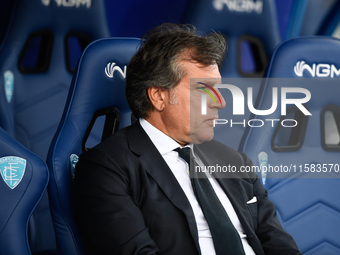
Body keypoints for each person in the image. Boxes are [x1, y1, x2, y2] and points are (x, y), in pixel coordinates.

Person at [74, 23, 302, 255]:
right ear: (159, 96)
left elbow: (281, 247)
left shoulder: (236, 162)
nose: (220, 102)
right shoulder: (106, 168)